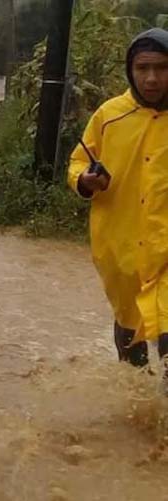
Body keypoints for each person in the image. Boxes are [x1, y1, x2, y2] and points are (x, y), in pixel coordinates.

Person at [67, 28, 168, 370]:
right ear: (130, 70)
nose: (152, 78)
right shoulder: (109, 115)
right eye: (143, 68)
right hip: (120, 249)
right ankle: (136, 416)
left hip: (166, 251)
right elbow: (78, 161)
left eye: (162, 68)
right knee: (131, 342)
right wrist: (84, 179)